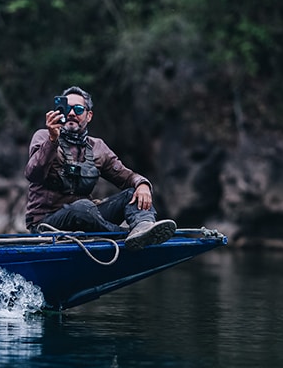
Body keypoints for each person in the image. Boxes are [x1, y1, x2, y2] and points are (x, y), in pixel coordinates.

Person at [25, 85, 176, 249]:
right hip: (47, 224)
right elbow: (33, 174)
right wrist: (52, 141)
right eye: (67, 108)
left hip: (89, 219)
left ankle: (144, 227)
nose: (71, 113)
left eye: (78, 109)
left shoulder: (98, 147)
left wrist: (143, 184)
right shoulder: (43, 137)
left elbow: (126, 177)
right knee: (83, 207)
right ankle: (124, 235)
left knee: (132, 194)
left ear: (88, 116)